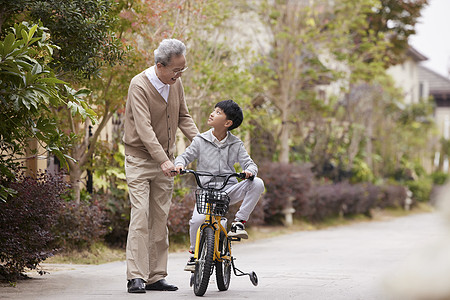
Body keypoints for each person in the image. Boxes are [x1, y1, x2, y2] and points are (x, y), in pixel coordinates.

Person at [123, 39, 199, 293]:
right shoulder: (139, 85)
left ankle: (156, 276)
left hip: (166, 162)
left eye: (182, 70)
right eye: (176, 70)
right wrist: (163, 159)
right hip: (140, 160)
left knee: (160, 219)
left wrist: (203, 144)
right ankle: (136, 275)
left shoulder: (175, 84)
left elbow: (184, 117)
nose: (179, 75)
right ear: (160, 66)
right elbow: (143, 128)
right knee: (140, 216)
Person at [174, 99, 265, 272]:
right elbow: (184, 157)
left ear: (227, 123)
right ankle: (194, 255)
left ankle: (239, 222)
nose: (212, 113)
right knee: (197, 221)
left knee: (257, 183)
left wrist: (250, 171)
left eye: (217, 112)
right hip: (206, 192)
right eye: (214, 110)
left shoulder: (236, 144)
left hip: (228, 191)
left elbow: (250, 164)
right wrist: (179, 165)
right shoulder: (200, 140)